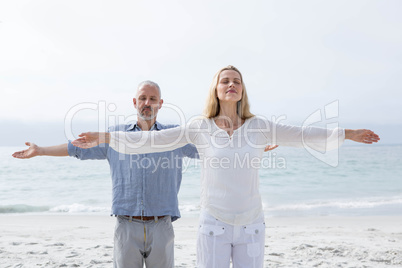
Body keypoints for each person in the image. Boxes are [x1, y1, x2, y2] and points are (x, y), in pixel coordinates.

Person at [71, 66, 380, 268]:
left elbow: (302, 135)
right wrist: (107, 137)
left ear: (242, 91)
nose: (231, 84)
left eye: (237, 81)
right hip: (213, 224)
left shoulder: (259, 126)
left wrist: (346, 134)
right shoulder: (200, 127)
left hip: (251, 224)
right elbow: (152, 141)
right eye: (225, 80)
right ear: (216, 90)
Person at [12, 81, 200, 268]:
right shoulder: (114, 135)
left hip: (161, 224)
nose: (147, 103)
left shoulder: (175, 136)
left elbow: (208, 151)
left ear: (160, 103)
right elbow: (76, 148)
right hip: (126, 224)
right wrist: (41, 150)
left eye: (152, 99)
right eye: (143, 98)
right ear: (135, 102)